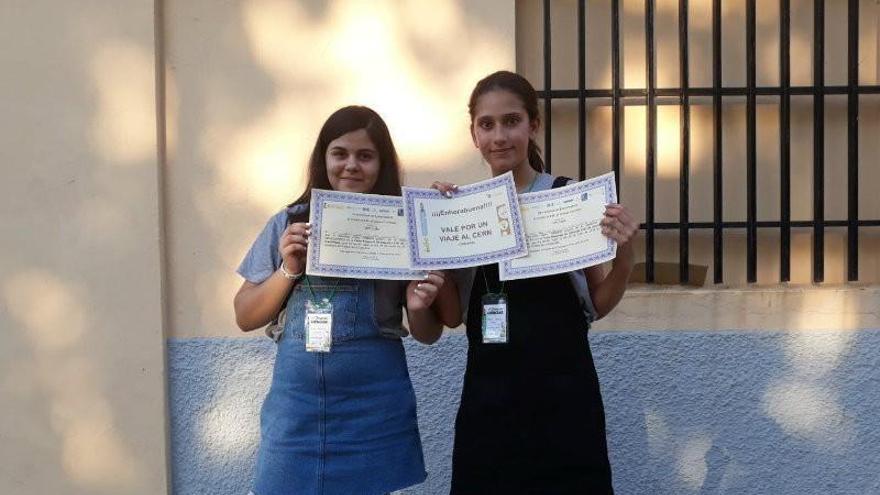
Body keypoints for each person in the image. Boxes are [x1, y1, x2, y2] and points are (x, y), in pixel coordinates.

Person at [234, 106, 460, 495]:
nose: (351, 165)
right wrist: (289, 269)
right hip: (295, 419)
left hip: (376, 419)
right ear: (323, 159)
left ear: (382, 163)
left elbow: (430, 335)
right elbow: (245, 315)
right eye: (340, 153)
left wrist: (421, 306)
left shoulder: (403, 227)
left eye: (365, 156)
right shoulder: (289, 224)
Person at [432, 71, 638, 494]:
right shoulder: (465, 210)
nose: (499, 135)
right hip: (488, 406)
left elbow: (596, 304)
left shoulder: (567, 199)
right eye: (486, 125)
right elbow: (452, 316)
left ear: (534, 125)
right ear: (473, 134)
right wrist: (435, 227)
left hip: (564, 401)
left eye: (511, 121)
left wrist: (626, 255)